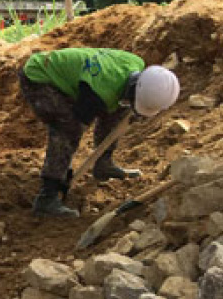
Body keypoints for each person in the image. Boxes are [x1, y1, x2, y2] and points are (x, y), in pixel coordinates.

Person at [19, 48, 178, 216]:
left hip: (84, 80)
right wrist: (64, 173)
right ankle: (47, 196)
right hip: (39, 77)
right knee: (67, 129)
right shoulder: (97, 93)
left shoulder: (135, 63)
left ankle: (103, 164)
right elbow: (77, 124)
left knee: (118, 110)